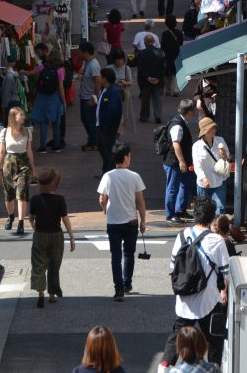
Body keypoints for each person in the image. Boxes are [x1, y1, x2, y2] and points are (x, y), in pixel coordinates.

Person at [161, 197, 229, 367]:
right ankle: (214, 368)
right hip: (208, 300)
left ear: (194, 215)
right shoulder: (217, 240)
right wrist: (224, 291)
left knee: (176, 337)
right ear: (212, 217)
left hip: (185, 299)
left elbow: (172, 266)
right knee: (214, 340)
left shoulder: (182, 236)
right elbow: (225, 273)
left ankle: (164, 368)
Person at [97, 143, 147, 301]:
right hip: (131, 221)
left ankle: (118, 289)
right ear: (125, 157)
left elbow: (102, 198)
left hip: (113, 222)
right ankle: (127, 283)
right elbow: (140, 202)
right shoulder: (134, 176)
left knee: (115, 256)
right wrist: (143, 221)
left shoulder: (108, 176)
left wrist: (105, 209)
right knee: (129, 254)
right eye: (129, 155)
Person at [29, 168, 75, 308]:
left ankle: (40, 292)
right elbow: (65, 219)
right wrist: (72, 237)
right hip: (56, 235)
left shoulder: (35, 199)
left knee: (38, 264)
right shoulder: (60, 199)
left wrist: (35, 227)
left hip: (40, 235)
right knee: (54, 265)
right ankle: (52, 295)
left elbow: (31, 219)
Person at [0, 107, 37, 235]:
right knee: (9, 195)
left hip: (23, 163)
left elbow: (29, 151)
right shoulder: (5, 132)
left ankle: (21, 223)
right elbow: (2, 151)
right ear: (13, 117)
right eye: (21, 115)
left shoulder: (27, 132)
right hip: (9, 164)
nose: (23, 117)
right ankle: (11, 216)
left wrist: (33, 168)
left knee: (22, 193)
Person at [163, 99, 197, 224]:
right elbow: (176, 144)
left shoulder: (181, 121)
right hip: (174, 162)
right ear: (189, 111)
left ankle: (180, 210)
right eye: (193, 111)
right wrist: (182, 161)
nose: (194, 113)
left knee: (185, 184)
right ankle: (170, 214)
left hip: (183, 162)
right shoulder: (177, 124)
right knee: (173, 188)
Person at [192, 117, 230, 215]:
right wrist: (203, 178)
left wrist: (224, 155)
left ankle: (218, 229)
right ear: (205, 132)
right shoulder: (196, 146)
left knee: (220, 208)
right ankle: (205, 229)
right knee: (203, 210)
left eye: (214, 128)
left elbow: (228, 157)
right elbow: (197, 165)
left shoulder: (220, 140)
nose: (214, 130)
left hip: (219, 179)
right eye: (211, 129)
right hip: (204, 182)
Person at [30, 52, 66, 154]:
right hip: (54, 98)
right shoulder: (60, 71)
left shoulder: (42, 67)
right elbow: (61, 87)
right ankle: (56, 146)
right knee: (56, 123)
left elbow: (32, 72)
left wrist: (23, 72)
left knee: (43, 123)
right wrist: (64, 102)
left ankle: (42, 147)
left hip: (42, 98)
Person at [96, 68, 123, 174]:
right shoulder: (106, 90)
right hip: (102, 126)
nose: (99, 78)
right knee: (102, 148)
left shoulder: (113, 92)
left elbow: (113, 111)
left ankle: (110, 173)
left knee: (108, 150)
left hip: (107, 128)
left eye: (100, 76)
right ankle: (106, 170)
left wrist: (106, 125)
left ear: (105, 79)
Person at [78, 41, 103, 153]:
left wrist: (94, 98)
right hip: (85, 97)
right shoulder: (87, 63)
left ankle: (94, 142)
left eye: (81, 52)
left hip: (89, 98)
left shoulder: (94, 65)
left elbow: (97, 82)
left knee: (91, 121)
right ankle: (92, 139)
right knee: (85, 120)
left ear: (86, 52)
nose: (79, 55)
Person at [136, 35, 166, 124]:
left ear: (145, 42)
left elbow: (140, 68)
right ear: (154, 42)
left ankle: (144, 117)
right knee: (158, 99)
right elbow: (164, 67)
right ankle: (158, 116)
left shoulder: (141, 53)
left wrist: (148, 77)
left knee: (145, 99)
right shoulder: (162, 52)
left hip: (145, 81)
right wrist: (158, 78)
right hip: (159, 81)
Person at [107, 49, 136, 135]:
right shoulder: (109, 68)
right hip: (111, 95)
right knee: (112, 115)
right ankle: (114, 133)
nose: (119, 61)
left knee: (123, 115)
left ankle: (118, 134)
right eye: (117, 59)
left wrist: (124, 82)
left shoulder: (126, 69)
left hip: (123, 95)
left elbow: (130, 83)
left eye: (121, 59)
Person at [161, 15, 184, 96]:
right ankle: (175, 90)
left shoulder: (164, 34)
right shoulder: (179, 33)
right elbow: (181, 43)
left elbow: (162, 46)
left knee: (167, 73)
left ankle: (168, 89)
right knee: (175, 73)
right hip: (177, 54)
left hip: (167, 55)